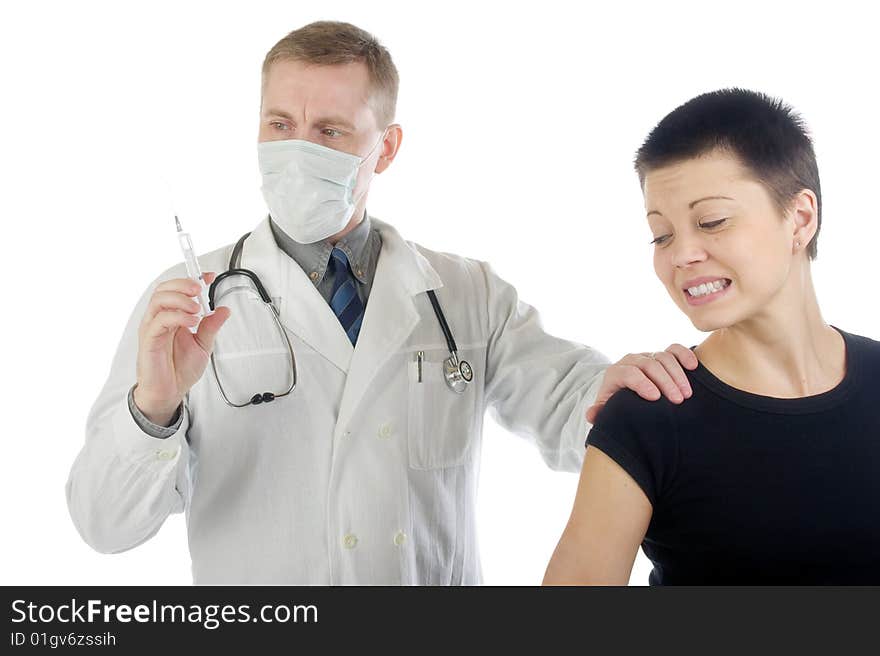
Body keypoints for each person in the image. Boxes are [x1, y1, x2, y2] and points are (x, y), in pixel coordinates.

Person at [66, 21, 694, 585]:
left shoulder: (466, 295)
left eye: (329, 132)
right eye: (279, 125)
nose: (296, 151)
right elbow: (105, 524)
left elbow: (572, 408)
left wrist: (623, 386)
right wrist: (153, 405)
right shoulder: (184, 304)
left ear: (385, 148)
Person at [543, 88, 880, 585]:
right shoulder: (646, 417)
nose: (681, 255)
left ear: (800, 218)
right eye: (662, 235)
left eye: (711, 222)